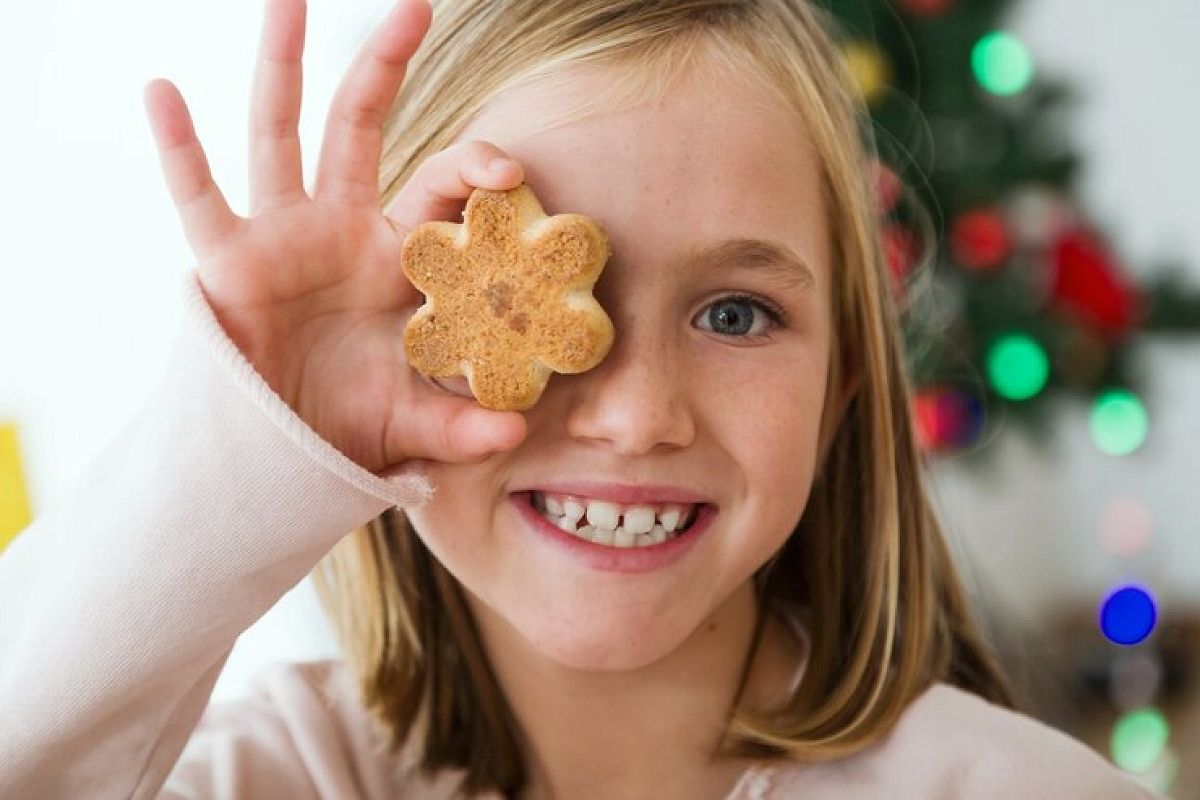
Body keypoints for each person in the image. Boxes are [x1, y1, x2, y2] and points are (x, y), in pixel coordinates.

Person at [0, 0, 1163, 797]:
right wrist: (242, 445)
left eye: (736, 313)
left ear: (843, 381)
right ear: (406, 328)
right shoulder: (282, 770)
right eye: (548, 302)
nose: (635, 413)